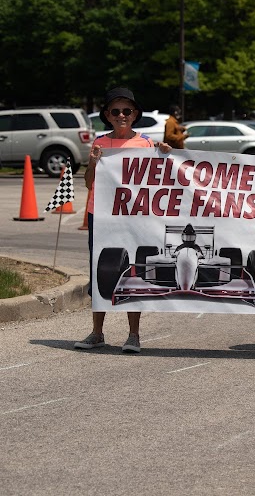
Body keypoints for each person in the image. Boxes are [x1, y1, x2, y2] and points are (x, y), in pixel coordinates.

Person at [75, 87, 171, 354]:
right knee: (101, 271)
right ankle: (97, 332)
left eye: (127, 111)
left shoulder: (147, 144)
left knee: (134, 270)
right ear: (107, 115)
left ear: (135, 114)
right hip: (101, 216)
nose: (121, 115)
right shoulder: (100, 144)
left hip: (135, 218)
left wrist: (166, 153)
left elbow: (164, 176)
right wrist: (93, 164)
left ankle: (133, 335)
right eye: (115, 111)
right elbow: (87, 183)